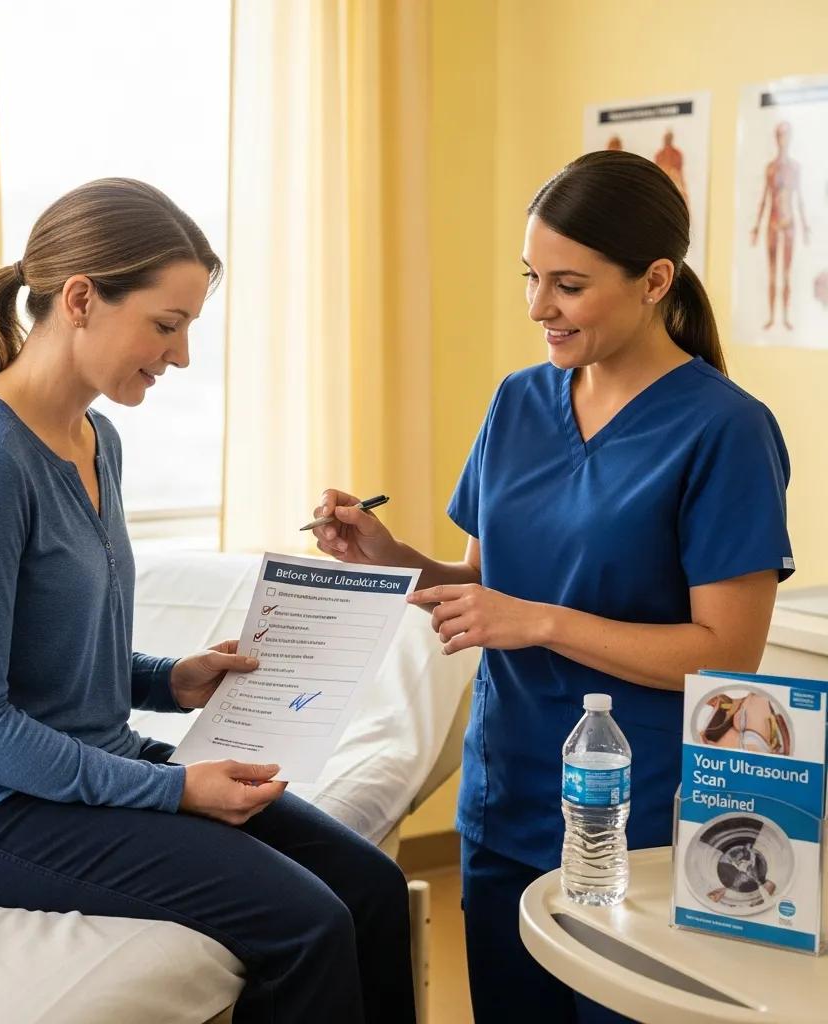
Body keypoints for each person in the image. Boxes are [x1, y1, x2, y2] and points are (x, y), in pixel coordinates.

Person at [0, 178, 415, 1024]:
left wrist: (172, 680)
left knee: (371, 888)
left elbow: (51, 652)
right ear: (81, 299)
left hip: (69, 770)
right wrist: (173, 792)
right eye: (168, 325)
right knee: (306, 924)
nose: (182, 355)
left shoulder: (96, 437)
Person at [313, 150, 792, 1024]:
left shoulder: (726, 431)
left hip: (640, 814)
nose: (539, 307)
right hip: (507, 795)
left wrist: (537, 621)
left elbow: (727, 654)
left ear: (655, 280)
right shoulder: (518, 402)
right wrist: (389, 555)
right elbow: (480, 588)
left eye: (568, 284)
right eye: (531, 277)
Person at [751, 121, 811, 330]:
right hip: (773, 223)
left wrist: (805, 226)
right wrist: (757, 227)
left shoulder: (795, 168)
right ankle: (771, 317)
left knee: (785, 273)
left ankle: (785, 317)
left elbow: (800, 198)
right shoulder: (771, 168)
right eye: (780, 135)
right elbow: (765, 198)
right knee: (772, 272)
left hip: (789, 223)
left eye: (786, 135)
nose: (782, 140)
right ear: (776, 139)